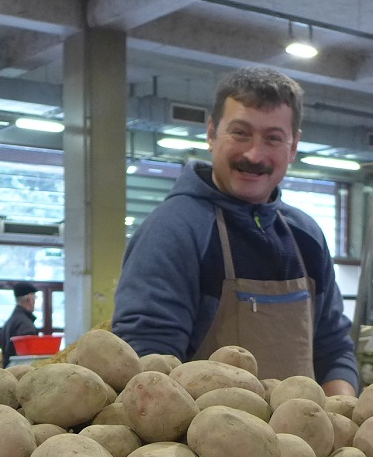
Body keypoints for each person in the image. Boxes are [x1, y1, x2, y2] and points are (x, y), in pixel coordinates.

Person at [111, 67, 357, 394]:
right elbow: (148, 362)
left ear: (293, 146)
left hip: (304, 439)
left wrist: (343, 415)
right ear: (212, 134)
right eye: (240, 133)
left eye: (273, 138)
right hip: (203, 441)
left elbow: (333, 347)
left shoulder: (306, 235)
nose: (254, 154)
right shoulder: (173, 230)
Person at [0, 285, 39, 366]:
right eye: (34, 297)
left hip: (10, 370)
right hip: (20, 374)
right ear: (29, 298)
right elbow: (27, 358)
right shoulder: (25, 324)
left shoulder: (11, 321)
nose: (35, 301)